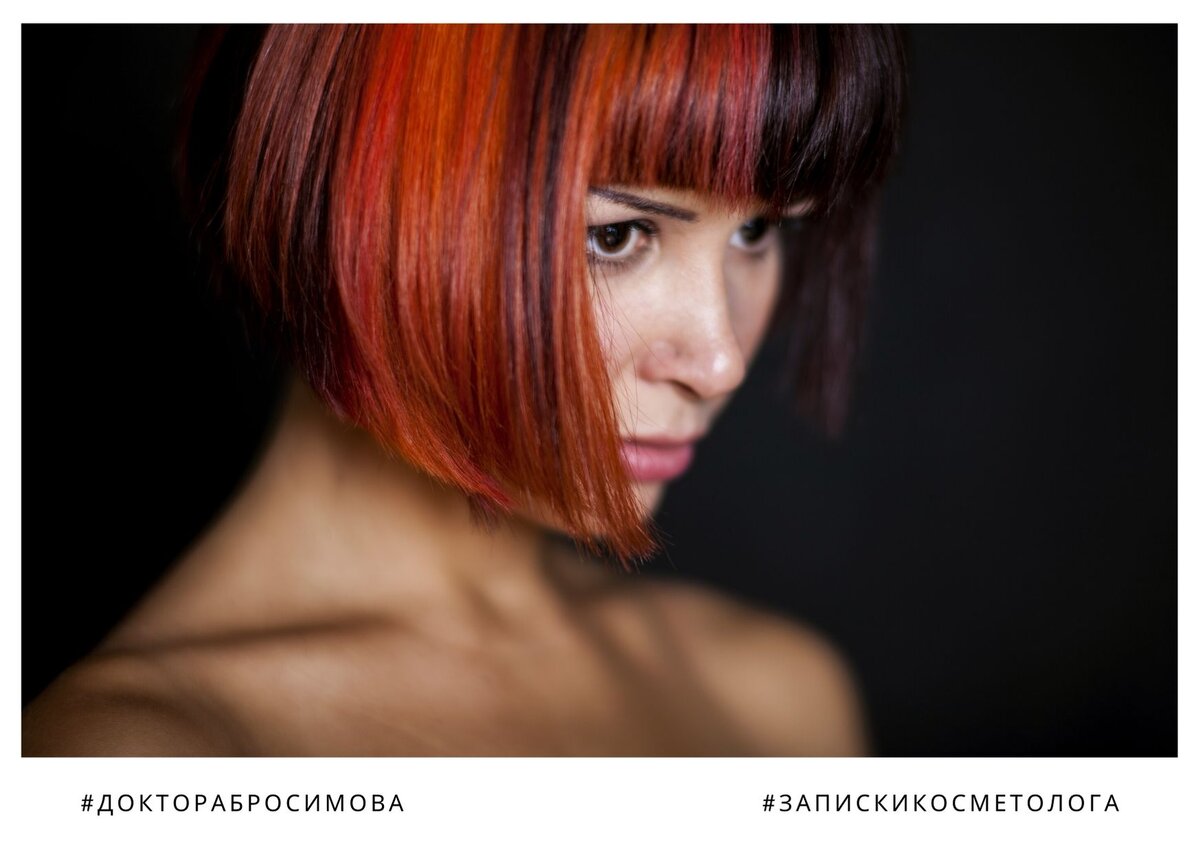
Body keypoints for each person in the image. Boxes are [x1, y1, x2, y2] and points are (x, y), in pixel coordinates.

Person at [23, 24, 905, 756]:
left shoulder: (779, 699)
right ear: (357, 197)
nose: (719, 361)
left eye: (757, 230)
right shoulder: (138, 763)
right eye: (616, 235)